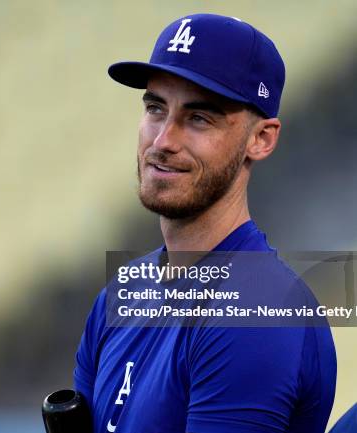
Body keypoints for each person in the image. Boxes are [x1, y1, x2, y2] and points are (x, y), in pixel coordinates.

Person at [74, 14, 337, 433]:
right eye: (156, 108)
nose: (163, 141)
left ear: (262, 139)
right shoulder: (119, 294)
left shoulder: (256, 311)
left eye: (199, 118)